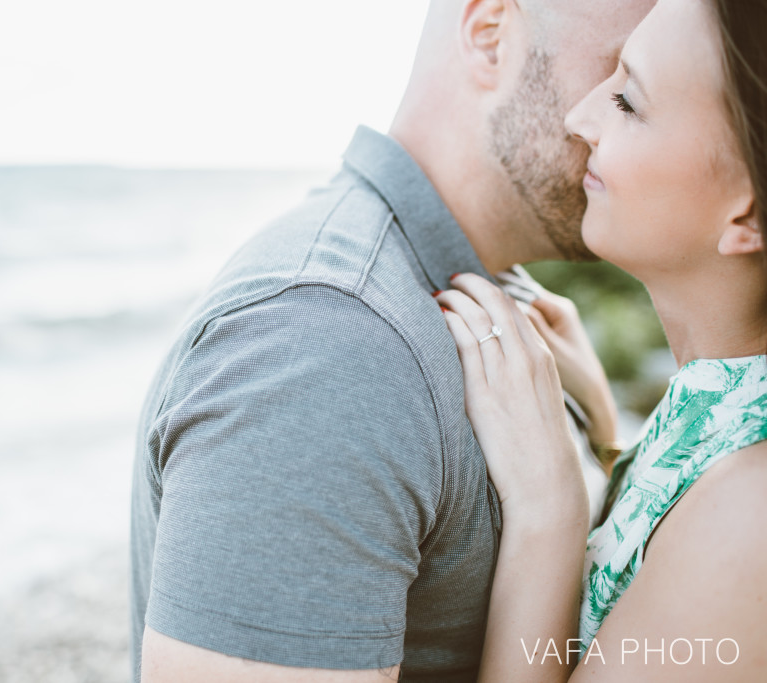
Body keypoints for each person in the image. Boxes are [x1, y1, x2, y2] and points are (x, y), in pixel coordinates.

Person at [130, 0, 654, 681]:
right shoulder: (323, 351)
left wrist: (600, 445)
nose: (615, 116)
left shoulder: (501, 300)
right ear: (491, 36)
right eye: (621, 72)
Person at [436, 0, 767, 679]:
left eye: (627, 100)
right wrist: (609, 440)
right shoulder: (725, 427)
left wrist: (549, 507)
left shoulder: (749, 519)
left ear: (749, 212)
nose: (580, 117)